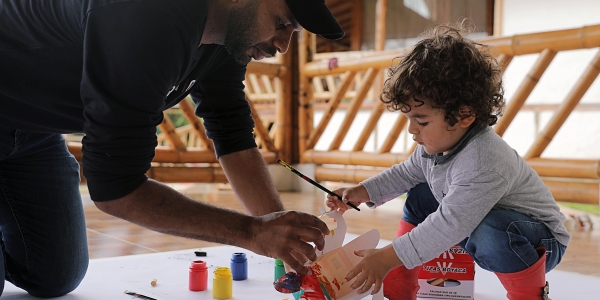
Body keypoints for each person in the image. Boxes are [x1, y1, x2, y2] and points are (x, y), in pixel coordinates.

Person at [0, 0, 344, 297]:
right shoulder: (147, 16)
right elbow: (115, 189)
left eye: (293, 32)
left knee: (53, 277)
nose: (283, 45)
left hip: (33, 134)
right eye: (282, 23)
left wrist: (283, 236)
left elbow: (232, 133)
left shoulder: (228, 33)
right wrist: (252, 233)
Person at [326, 22, 569, 300]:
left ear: (464, 115)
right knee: (420, 192)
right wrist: (362, 191)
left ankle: (530, 295)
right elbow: (407, 173)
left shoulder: (483, 160)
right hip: (475, 221)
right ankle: (399, 291)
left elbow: (449, 224)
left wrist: (386, 257)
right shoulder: (436, 146)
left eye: (422, 121)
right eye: (409, 119)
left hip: (536, 241)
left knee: (491, 229)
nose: (411, 130)